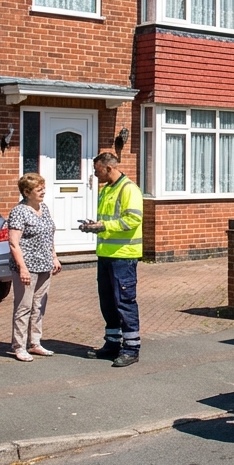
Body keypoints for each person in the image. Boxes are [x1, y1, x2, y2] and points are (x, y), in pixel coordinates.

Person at [78, 153, 144, 368]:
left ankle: (131, 348)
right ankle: (112, 344)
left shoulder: (129, 189)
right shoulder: (107, 189)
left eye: (97, 170)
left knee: (124, 301)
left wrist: (104, 226)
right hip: (106, 253)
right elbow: (108, 221)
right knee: (107, 302)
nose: (95, 174)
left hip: (124, 255)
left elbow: (133, 219)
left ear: (108, 168)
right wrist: (95, 225)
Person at [7, 173, 61, 362]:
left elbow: (48, 234)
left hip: (45, 265)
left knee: (39, 305)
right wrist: (22, 268)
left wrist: (54, 257)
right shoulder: (19, 211)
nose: (43, 192)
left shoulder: (43, 208)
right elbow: (14, 243)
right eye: (39, 190)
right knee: (24, 307)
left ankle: (35, 343)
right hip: (27, 266)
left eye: (43, 188)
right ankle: (19, 346)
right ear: (26, 192)